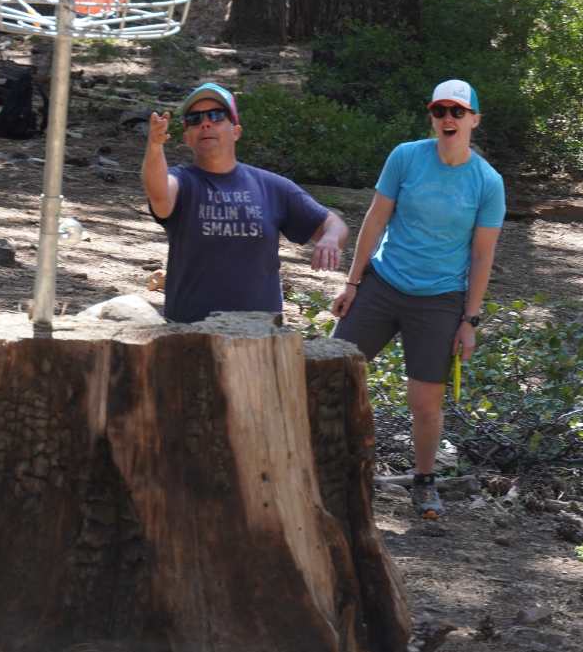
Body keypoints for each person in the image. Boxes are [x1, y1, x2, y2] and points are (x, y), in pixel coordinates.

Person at [330, 79, 505, 519]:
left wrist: (470, 320)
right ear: (432, 117)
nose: (448, 118)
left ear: (474, 120)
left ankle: (424, 482)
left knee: (425, 404)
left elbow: (482, 255)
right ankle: (323, 464)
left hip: (440, 299)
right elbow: (375, 220)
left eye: (457, 112)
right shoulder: (406, 157)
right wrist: (352, 283)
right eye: (439, 110)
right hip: (383, 284)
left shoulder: (487, 182)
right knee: (331, 371)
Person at [142, 81, 348, 324]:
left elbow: (333, 223)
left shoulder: (272, 186)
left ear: (236, 131)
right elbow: (159, 194)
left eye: (216, 116)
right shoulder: (182, 182)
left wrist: (331, 238)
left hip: (259, 333)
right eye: (195, 119)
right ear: (187, 137)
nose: (205, 123)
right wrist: (155, 146)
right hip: (189, 332)